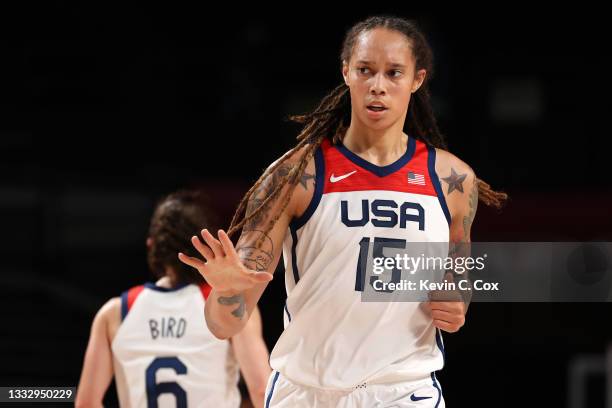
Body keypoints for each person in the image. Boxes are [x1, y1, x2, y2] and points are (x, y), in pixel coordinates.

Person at [179, 15, 507, 407]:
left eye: (393, 73)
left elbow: (458, 280)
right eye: (366, 70)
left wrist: (456, 304)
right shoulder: (295, 174)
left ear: (417, 80)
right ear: (346, 72)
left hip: (403, 390)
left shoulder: (453, 179)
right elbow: (224, 323)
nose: (378, 86)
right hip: (306, 391)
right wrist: (228, 291)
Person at [76, 190, 271, 408]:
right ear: (204, 247)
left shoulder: (115, 312)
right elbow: (262, 389)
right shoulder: (230, 304)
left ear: (152, 246)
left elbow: (86, 403)